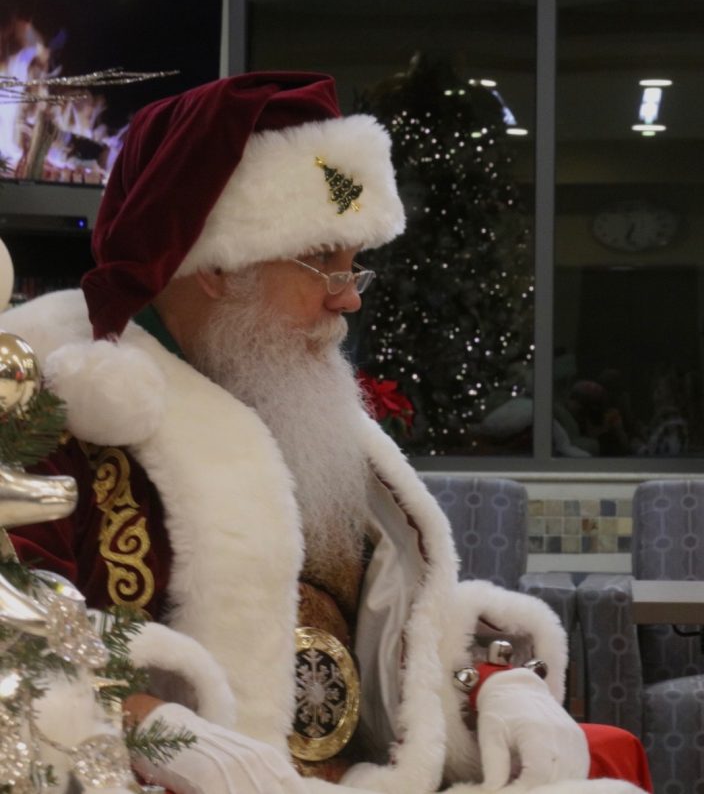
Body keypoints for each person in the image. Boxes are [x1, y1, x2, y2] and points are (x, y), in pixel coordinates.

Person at [2, 72, 648, 794]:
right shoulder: (46, 395)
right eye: (322, 266)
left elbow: (392, 625)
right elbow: (13, 637)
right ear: (217, 265)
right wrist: (151, 725)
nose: (347, 300)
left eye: (355, 269)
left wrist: (496, 681)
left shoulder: (288, 399)